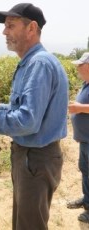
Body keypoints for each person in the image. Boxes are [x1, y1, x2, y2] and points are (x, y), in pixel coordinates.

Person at [0, 3, 68, 229]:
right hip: (31, 158)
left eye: (10, 25)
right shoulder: (31, 63)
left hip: (34, 159)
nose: (4, 32)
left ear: (31, 28)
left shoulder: (39, 64)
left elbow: (27, 121)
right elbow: (29, 109)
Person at [66, 52, 89, 223]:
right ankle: (87, 199)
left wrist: (80, 108)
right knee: (85, 170)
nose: (77, 67)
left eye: (80, 64)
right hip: (85, 139)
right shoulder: (85, 84)